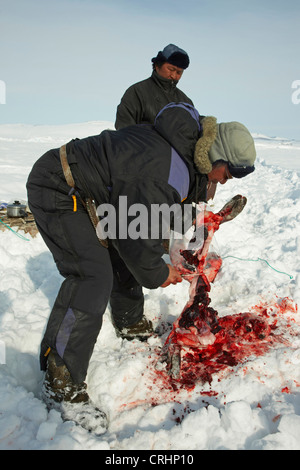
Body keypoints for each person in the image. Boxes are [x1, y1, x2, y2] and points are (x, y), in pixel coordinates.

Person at [26, 102, 256, 433]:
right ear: (217, 159)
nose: (224, 180)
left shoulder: (184, 145)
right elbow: (133, 233)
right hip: (61, 186)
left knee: (120, 256)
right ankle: (61, 382)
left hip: (99, 192)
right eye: (228, 173)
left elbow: (149, 216)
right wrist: (160, 273)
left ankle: (130, 322)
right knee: (91, 275)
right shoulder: (164, 168)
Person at [115, 44, 193, 130]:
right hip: (143, 142)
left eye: (179, 72)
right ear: (157, 65)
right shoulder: (137, 92)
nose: (174, 76)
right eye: (171, 69)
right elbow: (124, 129)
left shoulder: (186, 102)